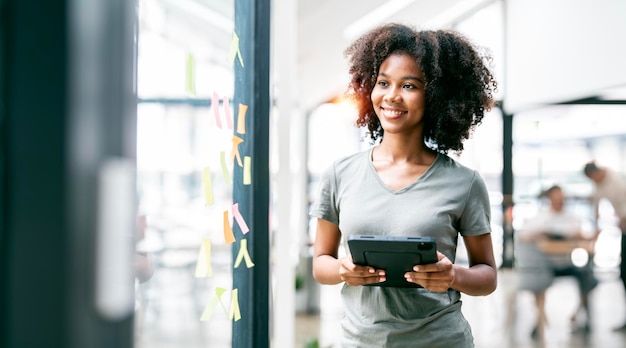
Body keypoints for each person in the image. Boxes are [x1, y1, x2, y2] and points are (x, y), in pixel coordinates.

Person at [310, 23, 498, 348]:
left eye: (409, 85)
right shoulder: (339, 174)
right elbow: (320, 264)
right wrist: (342, 269)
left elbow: (488, 275)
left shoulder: (464, 183)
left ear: (437, 96)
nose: (392, 96)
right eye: (383, 82)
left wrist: (454, 276)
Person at [516, 185, 598, 339]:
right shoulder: (541, 218)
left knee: (588, 277)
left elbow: (582, 235)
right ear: (549, 199)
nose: (559, 202)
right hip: (546, 265)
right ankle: (539, 320)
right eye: (555, 199)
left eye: (561, 199)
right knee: (537, 281)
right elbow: (523, 235)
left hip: (567, 263)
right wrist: (540, 234)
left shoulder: (572, 218)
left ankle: (579, 315)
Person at [583, 160, 626, 331]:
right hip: (624, 230)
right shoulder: (600, 184)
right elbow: (596, 206)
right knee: (623, 274)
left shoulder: (617, 181)